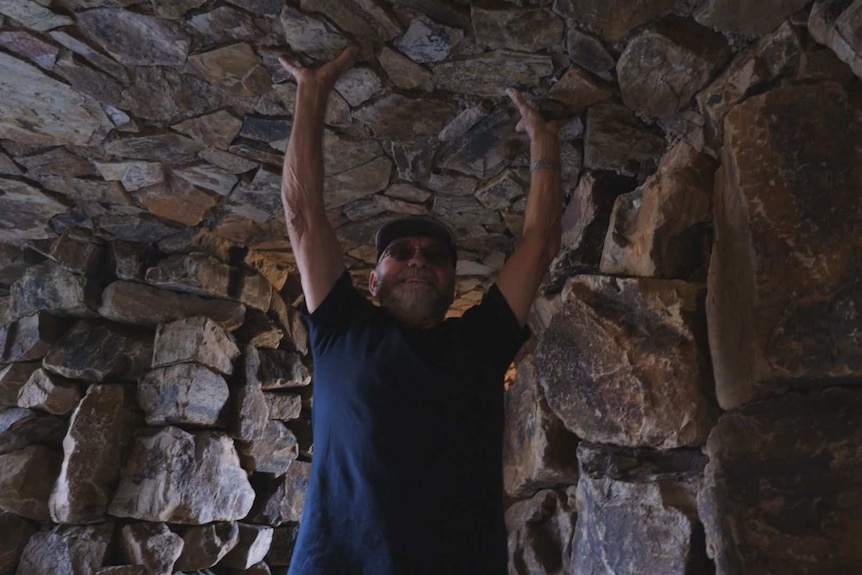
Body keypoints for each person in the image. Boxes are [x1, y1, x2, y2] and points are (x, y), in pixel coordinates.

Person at [278, 46, 562, 575]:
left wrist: (545, 145)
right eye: (399, 253)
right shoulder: (342, 328)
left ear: (454, 287)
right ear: (373, 280)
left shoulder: (478, 341)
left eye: (434, 257)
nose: (417, 262)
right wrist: (311, 94)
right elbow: (301, 214)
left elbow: (540, 243)